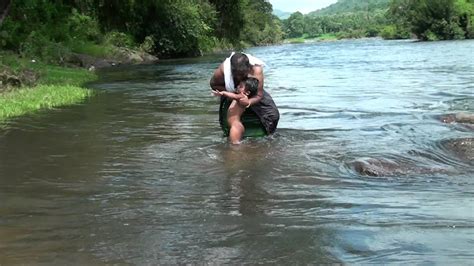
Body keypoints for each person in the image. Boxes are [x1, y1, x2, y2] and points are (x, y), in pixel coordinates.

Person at [210, 52, 279, 144]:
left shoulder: (256, 70)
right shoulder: (223, 71)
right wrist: (229, 93)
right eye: (236, 74)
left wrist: (248, 101)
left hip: (253, 94)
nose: (239, 77)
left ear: (249, 68)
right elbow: (214, 85)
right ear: (231, 69)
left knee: (273, 115)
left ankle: (268, 136)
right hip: (231, 90)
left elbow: (259, 94)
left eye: (242, 74)